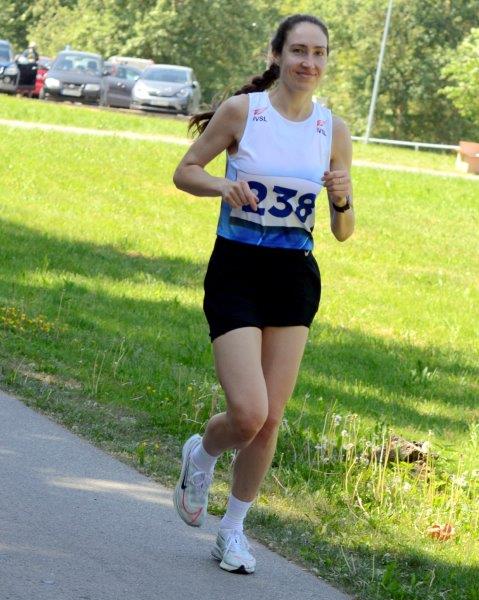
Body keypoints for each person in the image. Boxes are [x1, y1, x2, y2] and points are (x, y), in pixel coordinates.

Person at [172, 13, 355, 574]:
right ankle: (202, 452)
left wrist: (343, 198)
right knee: (248, 412)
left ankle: (232, 531)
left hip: (293, 276)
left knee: (271, 418)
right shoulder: (242, 113)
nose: (309, 62)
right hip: (237, 270)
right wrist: (221, 185)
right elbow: (185, 171)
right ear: (276, 55)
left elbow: (343, 231)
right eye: (299, 50)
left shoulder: (332, 129)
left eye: (319, 53)